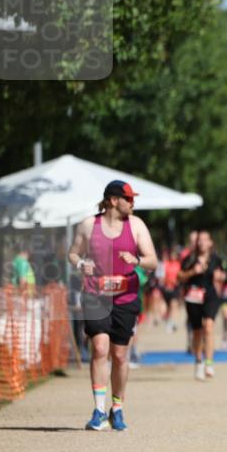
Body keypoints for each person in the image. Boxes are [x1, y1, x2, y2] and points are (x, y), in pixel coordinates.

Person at [67, 180, 157, 431]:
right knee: (99, 348)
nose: (132, 203)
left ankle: (116, 408)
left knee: (119, 355)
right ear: (114, 200)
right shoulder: (88, 225)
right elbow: (72, 253)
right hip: (96, 296)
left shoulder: (136, 225)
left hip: (126, 298)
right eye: (128, 198)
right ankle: (98, 411)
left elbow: (153, 261)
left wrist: (136, 259)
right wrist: (79, 264)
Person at [178, 231, 227, 380]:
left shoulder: (216, 259)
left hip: (210, 295)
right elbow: (179, 276)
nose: (202, 243)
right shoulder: (189, 259)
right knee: (197, 332)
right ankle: (198, 361)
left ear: (210, 243)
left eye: (205, 240)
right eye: (200, 240)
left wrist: (221, 277)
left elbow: (225, 274)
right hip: (193, 297)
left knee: (208, 326)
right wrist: (193, 272)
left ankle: (209, 363)